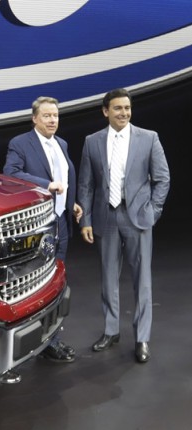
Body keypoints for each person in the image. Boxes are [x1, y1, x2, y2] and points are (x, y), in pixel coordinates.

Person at [78, 88, 170, 363]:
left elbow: (162, 179)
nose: (124, 113)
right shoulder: (92, 141)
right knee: (108, 278)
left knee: (142, 280)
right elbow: (86, 184)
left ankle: (142, 338)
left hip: (137, 217)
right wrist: (85, 220)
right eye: (118, 108)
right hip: (105, 217)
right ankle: (111, 331)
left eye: (127, 108)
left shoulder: (149, 138)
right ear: (105, 111)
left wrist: (153, 211)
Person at [4, 96, 83, 362]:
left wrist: (71, 203)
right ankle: (32, 343)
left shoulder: (62, 143)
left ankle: (52, 340)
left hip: (61, 222)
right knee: (37, 285)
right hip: (39, 226)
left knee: (57, 283)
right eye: (47, 115)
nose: (52, 120)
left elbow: (65, 178)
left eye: (55, 115)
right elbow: (11, 174)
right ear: (35, 118)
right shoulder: (20, 143)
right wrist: (46, 185)